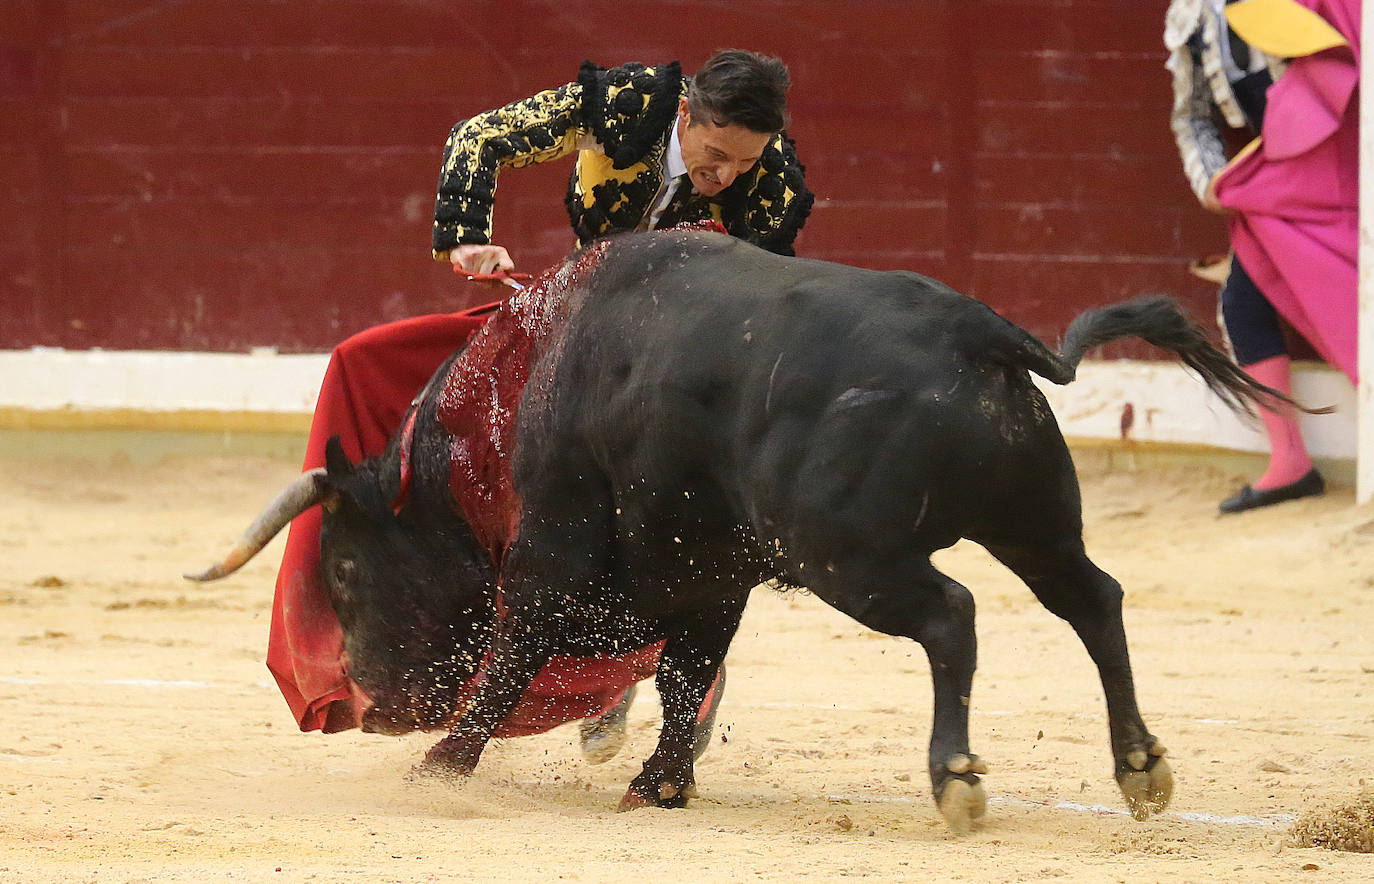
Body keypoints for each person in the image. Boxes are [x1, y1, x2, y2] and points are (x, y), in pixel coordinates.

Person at [268, 50, 809, 753]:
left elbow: (759, 305)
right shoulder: (626, 107)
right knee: (366, 361)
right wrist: (469, 240)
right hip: (576, 321)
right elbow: (479, 138)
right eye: (715, 154)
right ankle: (368, 540)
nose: (726, 175)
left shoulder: (776, 184)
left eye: (743, 162)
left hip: (674, 362)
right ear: (686, 115)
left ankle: (682, 677)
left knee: (675, 511)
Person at [1165, 0, 1358, 513]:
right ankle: (1290, 463)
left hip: (1349, 167)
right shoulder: (1193, 15)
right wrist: (1213, 183)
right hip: (1282, 184)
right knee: (1244, 304)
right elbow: (1193, 117)